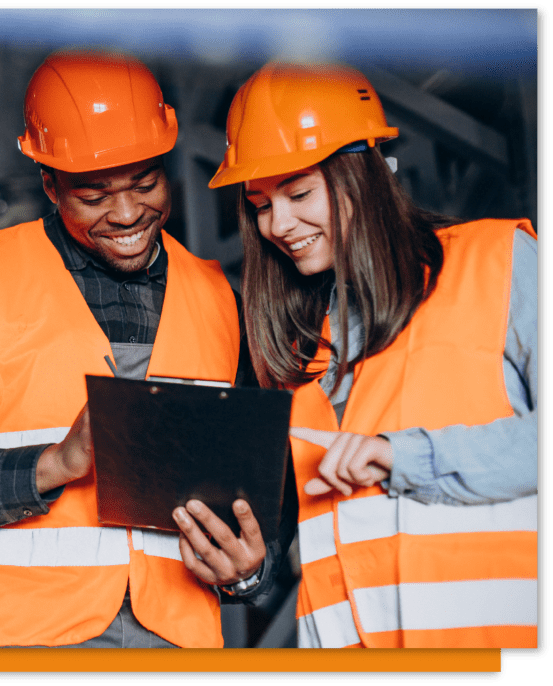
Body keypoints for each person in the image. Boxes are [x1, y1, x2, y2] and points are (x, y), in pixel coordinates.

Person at [0, 51, 295, 649]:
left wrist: (249, 570)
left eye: (145, 183)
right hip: (25, 646)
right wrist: (55, 465)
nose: (127, 213)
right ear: (48, 184)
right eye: (94, 196)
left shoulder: (219, 299)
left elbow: (267, 498)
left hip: (177, 647)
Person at [207, 62, 538, 648]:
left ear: (365, 173)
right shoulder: (295, 353)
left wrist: (401, 456)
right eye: (259, 203)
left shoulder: (498, 263)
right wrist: (248, 569)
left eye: (299, 191)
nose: (278, 225)